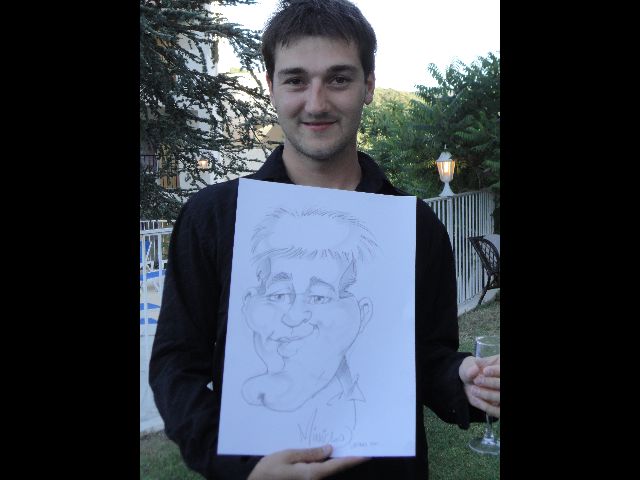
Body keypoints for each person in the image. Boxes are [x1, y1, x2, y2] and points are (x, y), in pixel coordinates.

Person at [149, 1, 501, 479]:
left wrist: (463, 379)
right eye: (296, 80)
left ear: (369, 85)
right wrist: (239, 468)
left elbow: (424, 357)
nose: (316, 103)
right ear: (271, 86)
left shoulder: (416, 226)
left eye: (338, 79)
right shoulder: (212, 218)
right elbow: (176, 364)